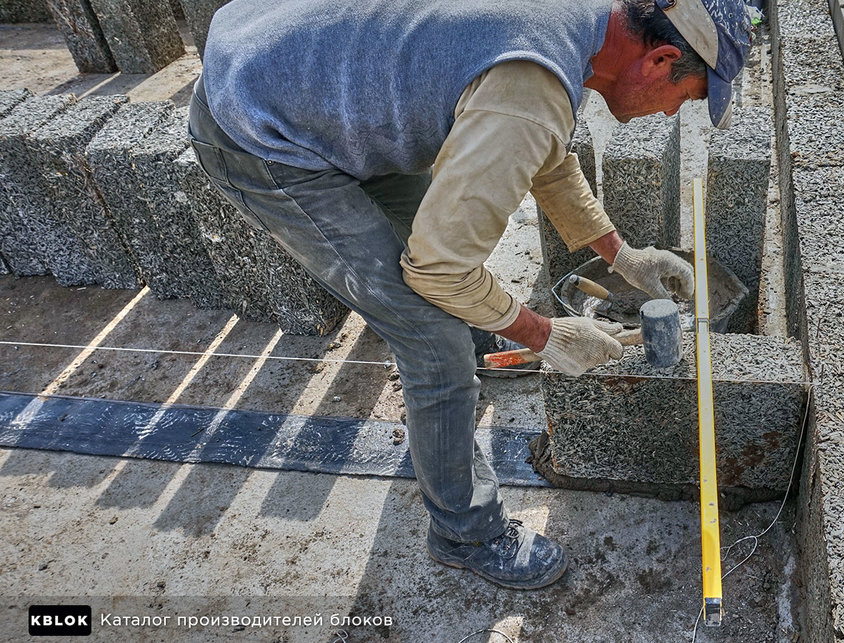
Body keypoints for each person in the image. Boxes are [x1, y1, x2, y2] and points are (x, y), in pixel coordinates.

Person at [188, 0, 753, 590]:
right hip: (260, 124)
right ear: (660, 58)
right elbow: (438, 267)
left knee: (443, 261)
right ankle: (465, 530)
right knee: (432, 338)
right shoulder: (529, 83)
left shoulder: (584, 23)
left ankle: (482, 334)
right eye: (685, 98)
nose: (670, 113)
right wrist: (545, 334)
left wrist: (622, 255)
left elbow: (544, 150)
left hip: (314, 72)